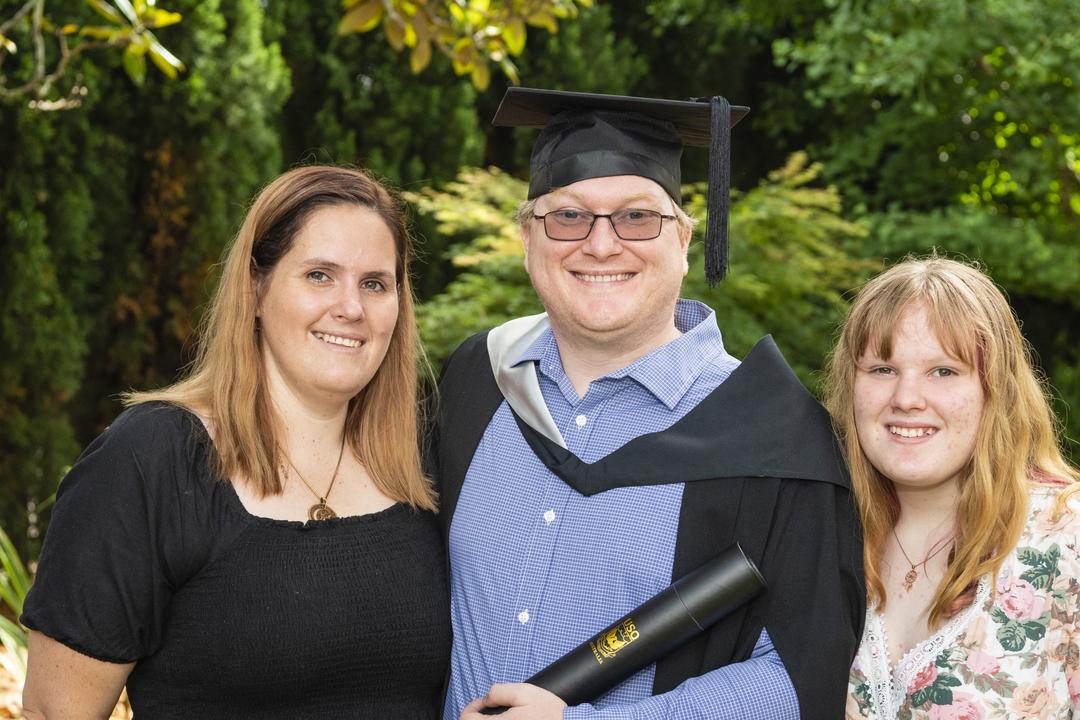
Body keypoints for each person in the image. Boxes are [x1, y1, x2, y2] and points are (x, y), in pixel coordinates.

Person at [431, 88, 862, 719]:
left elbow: (799, 680)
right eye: (568, 216)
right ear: (527, 238)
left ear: (685, 240)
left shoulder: (777, 439)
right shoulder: (475, 382)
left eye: (637, 217)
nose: (601, 245)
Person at [21, 166, 450, 719]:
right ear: (255, 290)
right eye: (320, 275)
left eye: (375, 283)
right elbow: (54, 715)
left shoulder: (423, 463)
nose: (352, 307)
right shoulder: (152, 461)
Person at [826, 257, 1080, 718]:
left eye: (944, 371)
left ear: (996, 389)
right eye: (882, 369)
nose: (907, 398)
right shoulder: (821, 531)